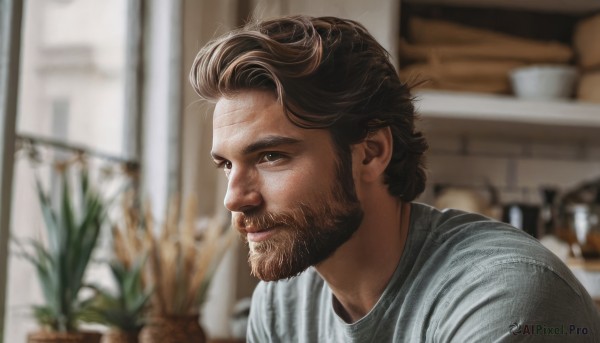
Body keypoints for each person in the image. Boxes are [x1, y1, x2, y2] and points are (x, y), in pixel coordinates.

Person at [190, 15, 600, 342]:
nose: (234, 198)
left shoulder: (507, 296)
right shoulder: (282, 305)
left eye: (271, 156)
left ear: (371, 153)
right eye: (226, 164)